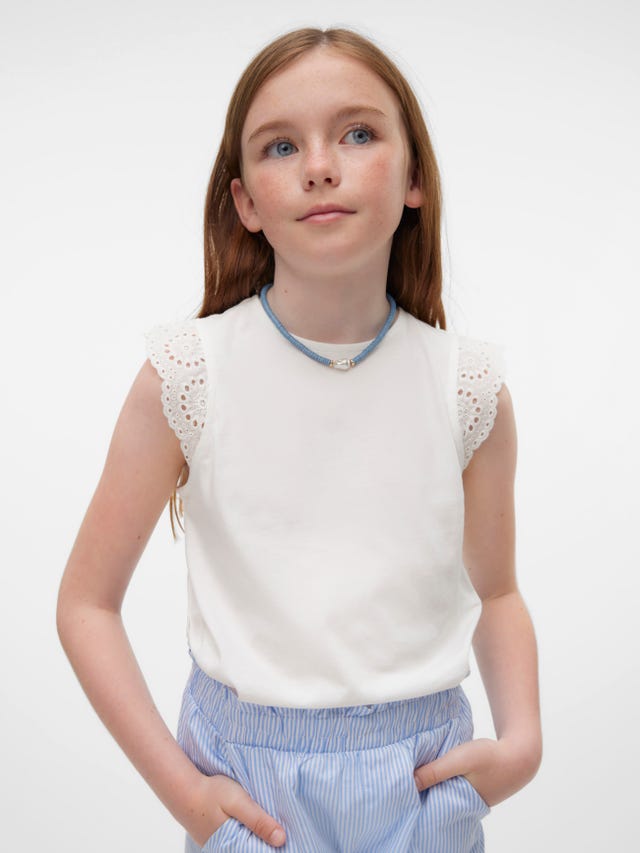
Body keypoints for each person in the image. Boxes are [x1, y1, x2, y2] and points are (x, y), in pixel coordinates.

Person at [56, 25, 542, 853]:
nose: (320, 165)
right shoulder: (187, 376)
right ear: (245, 201)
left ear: (415, 177)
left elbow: (497, 592)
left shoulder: (467, 386)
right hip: (251, 795)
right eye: (281, 146)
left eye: (357, 133)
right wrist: (187, 796)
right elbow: (85, 604)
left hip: (422, 785)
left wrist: (522, 742)